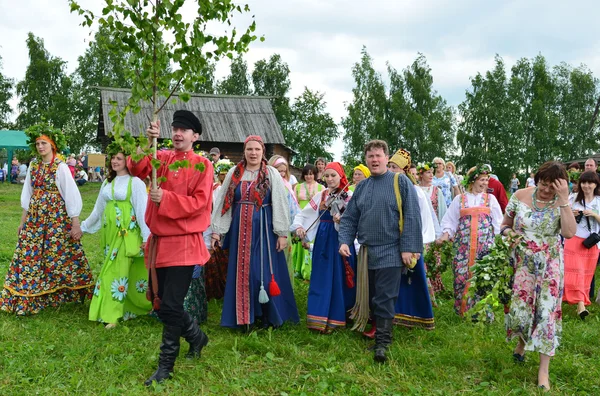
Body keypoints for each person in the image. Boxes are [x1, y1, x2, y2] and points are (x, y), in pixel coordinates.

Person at [127, 110, 213, 386]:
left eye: (184, 130)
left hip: (185, 243)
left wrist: (166, 197)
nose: (178, 133)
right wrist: (146, 140)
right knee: (163, 303)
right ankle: (197, 336)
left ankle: (166, 366)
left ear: (195, 136)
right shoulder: (160, 156)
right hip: (159, 242)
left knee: (172, 303)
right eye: (175, 128)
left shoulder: (202, 165)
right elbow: (134, 167)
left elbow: (199, 202)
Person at [339, 140, 423, 363]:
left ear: (387, 158)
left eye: (378, 155)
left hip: (392, 250)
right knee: (374, 296)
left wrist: (408, 248)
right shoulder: (363, 187)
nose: (374, 160)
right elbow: (350, 218)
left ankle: (382, 343)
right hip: (367, 252)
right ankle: (379, 332)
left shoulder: (400, 182)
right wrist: (345, 240)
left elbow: (412, 215)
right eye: (370, 156)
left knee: (384, 297)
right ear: (366, 160)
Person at [0, 124, 94, 315]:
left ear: (52, 145)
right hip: (34, 219)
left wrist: (75, 223)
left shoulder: (61, 167)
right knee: (29, 256)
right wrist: (22, 222)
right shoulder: (34, 166)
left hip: (56, 220)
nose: (40, 146)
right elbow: (27, 196)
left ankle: (66, 293)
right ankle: (28, 295)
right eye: (38, 143)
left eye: (44, 143)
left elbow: (71, 195)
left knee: (60, 255)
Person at [501, 161, 576, 391]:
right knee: (523, 308)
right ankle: (521, 345)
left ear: (560, 186)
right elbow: (505, 225)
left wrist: (563, 200)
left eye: (551, 187)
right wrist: (510, 234)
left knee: (545, 311)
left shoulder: (562, 202)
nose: (545, 190)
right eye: (543, 184)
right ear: (537, 180)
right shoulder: (520, 195)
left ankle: (543, 371)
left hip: (549, 265)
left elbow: (569, 233)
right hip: (523, 263)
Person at [211, 135, 299, 331]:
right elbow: (223, 203)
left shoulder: (271, 174)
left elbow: (280, 203)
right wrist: (218, 231)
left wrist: (282, 233)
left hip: (265, 231)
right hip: (239, 231)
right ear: (244, 151)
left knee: (264, 274)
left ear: (263, 152)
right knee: (243, 273)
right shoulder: (235, 173)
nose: (253, 153)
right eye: (250, 149)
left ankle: (269, 316)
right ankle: (244, 318)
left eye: (257, 150)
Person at [81, 145, 151, 328]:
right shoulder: (107, 182)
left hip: (126, 233)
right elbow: (98, 210)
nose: (114, 161)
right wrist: (83, 228)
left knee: (115, 272)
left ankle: (111, 315)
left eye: (119, 158)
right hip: (109, 234)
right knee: (122, 271)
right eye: (113, 158)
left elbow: (143, 211)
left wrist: (146, 238)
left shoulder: (135, 183)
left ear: (127, 161)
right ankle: (132, 307)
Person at [291, 162, 356, 333]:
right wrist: (299, 226)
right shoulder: (322, 195)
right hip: (323, 238)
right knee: (322, 275)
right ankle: (319, 317)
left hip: (342, 239)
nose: (329, 179)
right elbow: (305, 213)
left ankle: (341, 315)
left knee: (341, 276)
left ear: (341, 176)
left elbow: (357, 220)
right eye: (326, 176)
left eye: (333, 175)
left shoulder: (349, 196)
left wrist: (343, 221)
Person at [437, 165, 502, 318]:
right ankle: (462, 311)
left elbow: (498, 223)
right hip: (463, 249)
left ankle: (482, 314)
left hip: (485, 248)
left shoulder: (490, 199)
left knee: (483, 279)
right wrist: (445, 236)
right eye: (482, 180)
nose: (485, 183)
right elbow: (450, 221)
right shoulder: (459, 199)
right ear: (472, 181)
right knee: (461, 278)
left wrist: (502, 243)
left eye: (487, 180)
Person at [386, 149, 435, 330]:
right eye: (389, 166)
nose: (391, 170)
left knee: (412, 279)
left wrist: (417, 244)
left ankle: (417, 316)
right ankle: (394, 315)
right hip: (391, 241)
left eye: (395, 167)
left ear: (404, 170)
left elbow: (421, 218)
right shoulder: (386, 187)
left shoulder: (414, 190)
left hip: (410, 241)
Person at [562, 171, 600, 319]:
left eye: (589, 183)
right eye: (583, 182)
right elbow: (562, 218)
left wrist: (595, 215)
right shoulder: (573, 199)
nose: (586, 186)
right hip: (573, 239)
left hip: (591, 243)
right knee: (575, 272)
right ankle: (580, 306)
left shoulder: (598, 201)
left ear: (595, 184)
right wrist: (572, 214)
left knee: (585, 274)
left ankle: (577, 300)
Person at [291, 164, 324, 280]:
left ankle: (310, 271)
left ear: (314, 174)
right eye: (306, 174)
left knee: (311, 241)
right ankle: (298, 269)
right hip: (301, 215)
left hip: (313, 217)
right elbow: (294, 204)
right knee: (300, 242)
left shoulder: (321, 188)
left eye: (311, 174)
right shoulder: (298, 187)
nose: (308, 176)